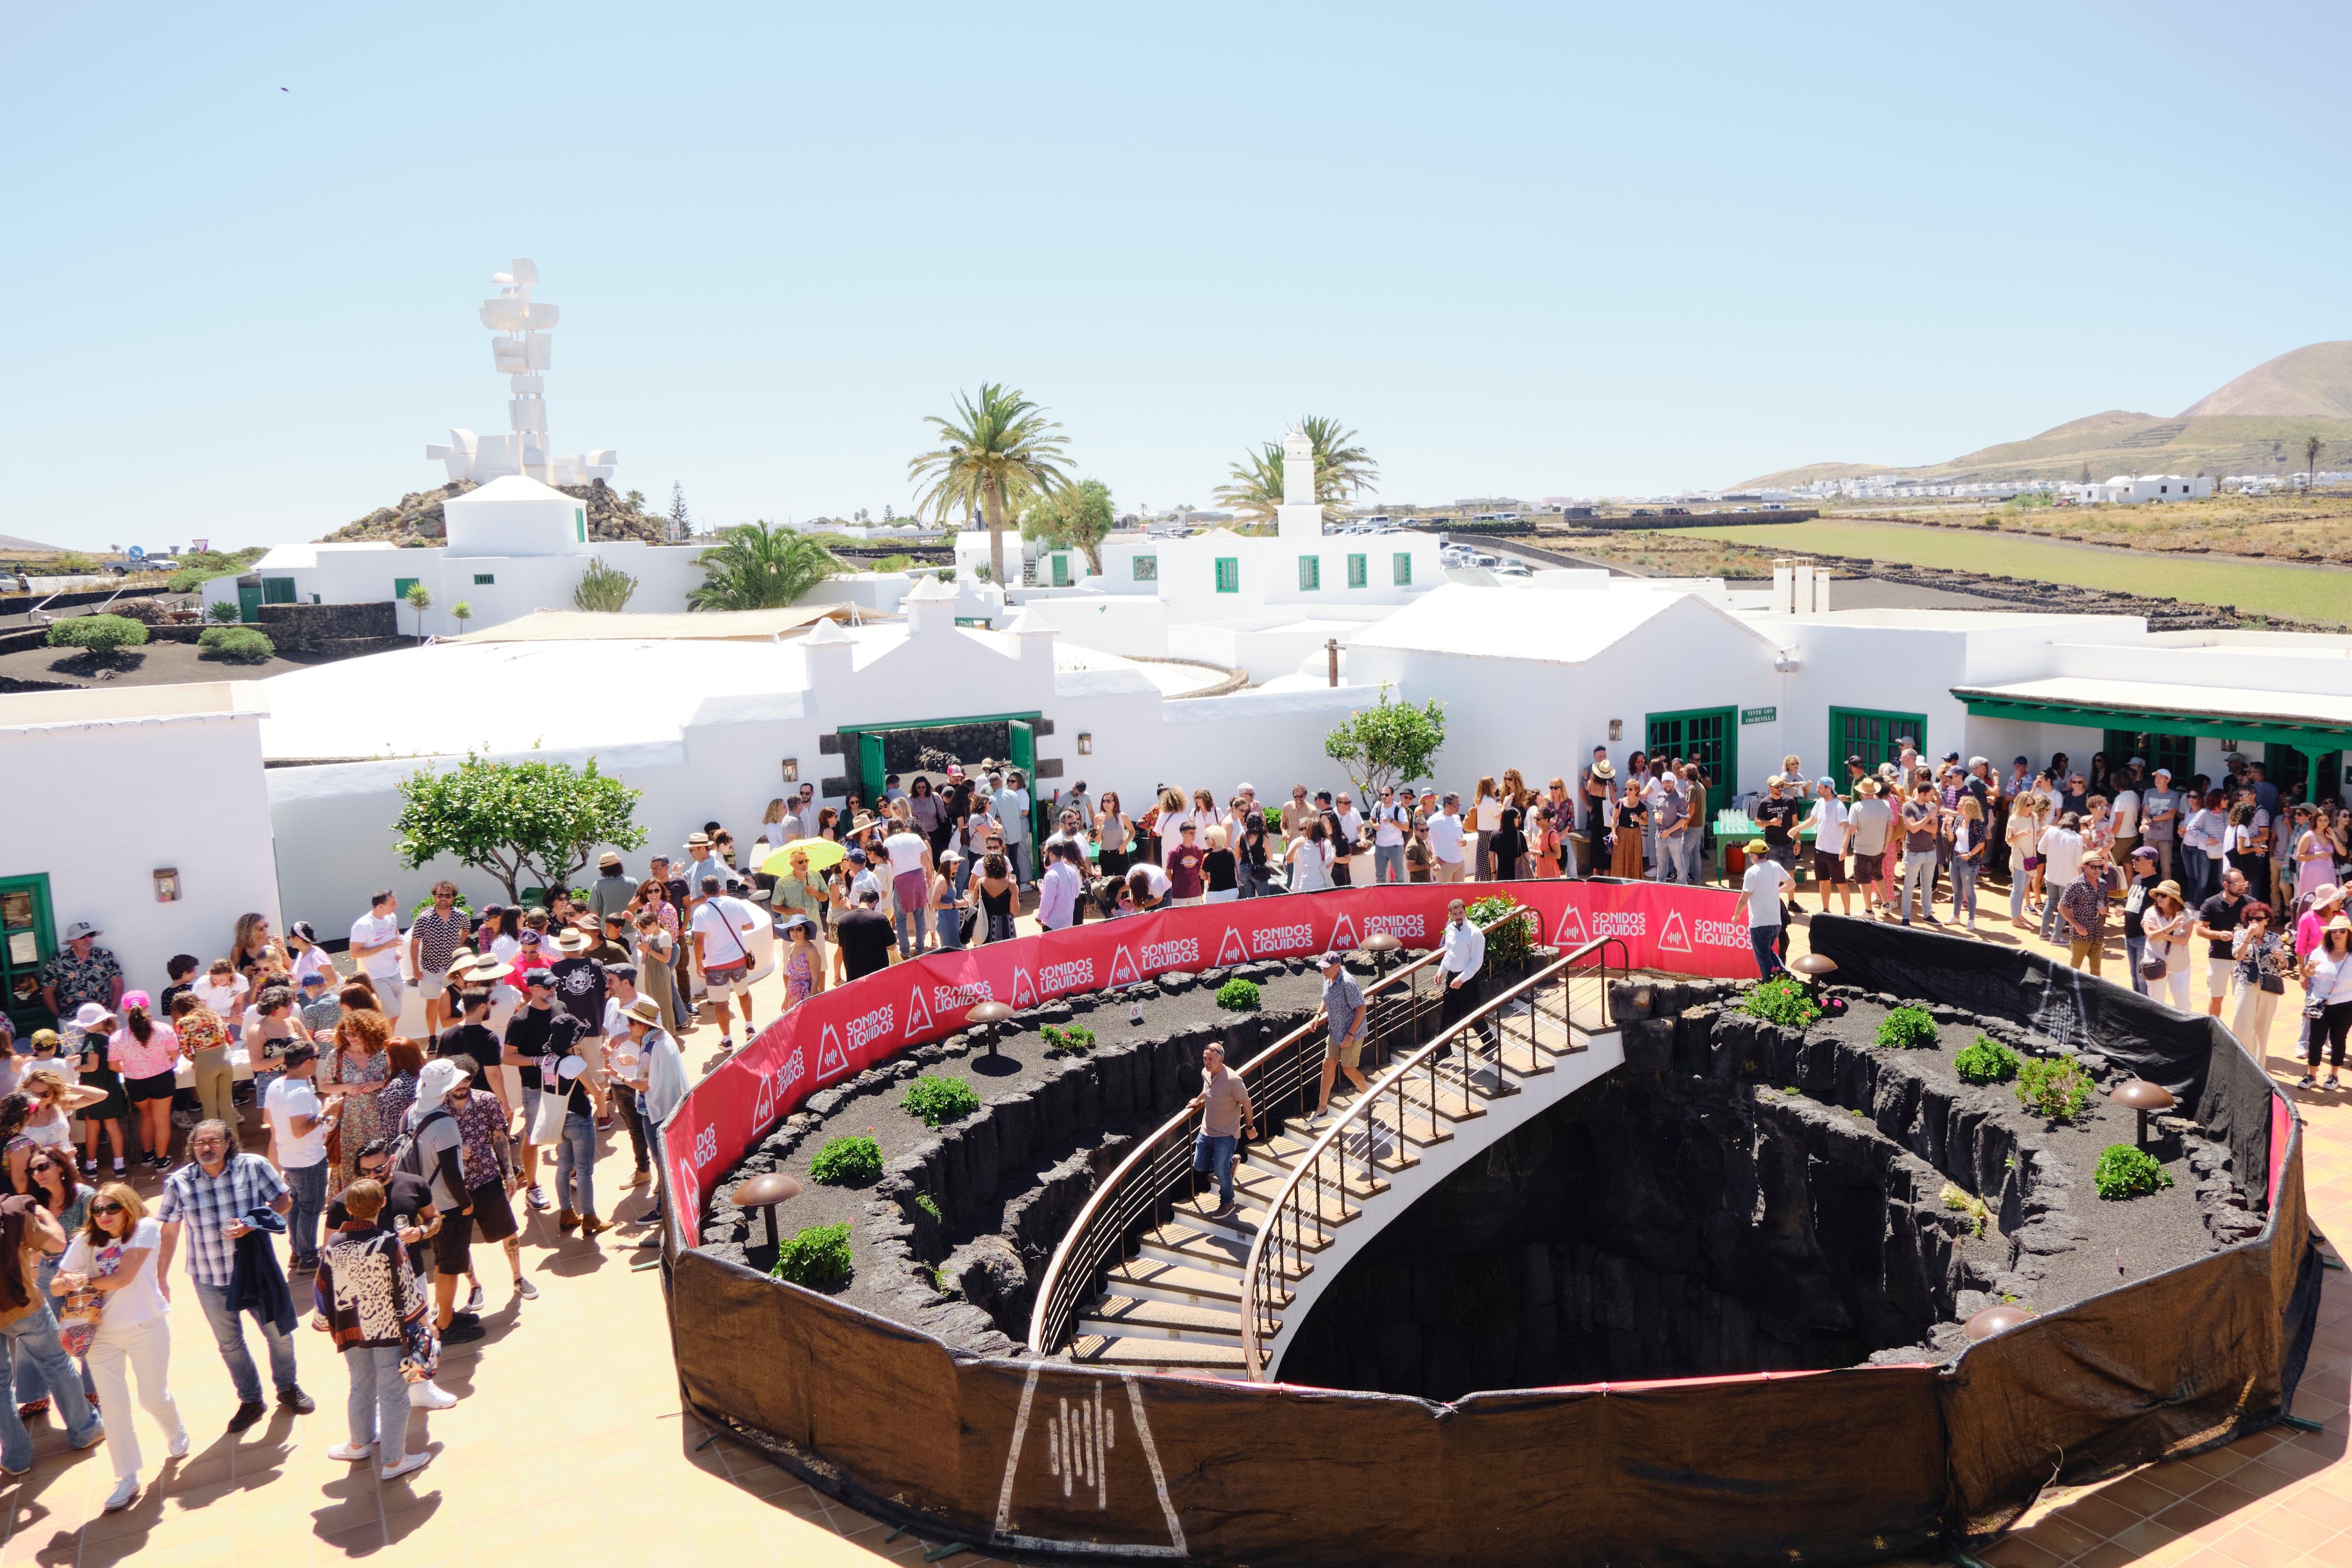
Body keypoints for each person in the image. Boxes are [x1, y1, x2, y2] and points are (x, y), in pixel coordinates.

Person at [153, 1120, 312, 1432]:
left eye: (213, 1140)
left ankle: (288, 1387)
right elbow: (169, 1232)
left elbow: (284, 1200)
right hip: (209, 1276)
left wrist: (253, 1222)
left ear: (228, 1143)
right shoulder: (179, 1183)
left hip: (255, 1269)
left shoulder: (253, 1166)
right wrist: (161, 1278)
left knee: (279, 1334)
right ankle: (251, 1399)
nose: (206, 1147)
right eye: (200, 1143)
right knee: (230, 1343)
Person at [48, 1182, 179, 1510]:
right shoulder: (85, 1240)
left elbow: (123, 1277)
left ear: (128, 1207)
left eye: (112, 1208)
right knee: (114, 1407)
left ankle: (175, 1430)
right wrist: (65, 1281)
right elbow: (54, 1284)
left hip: (146, 1325)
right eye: (97, 1210)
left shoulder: (145, 1228)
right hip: (100, 1334)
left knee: (153, 1397)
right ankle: (128, 1477)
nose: (103, 1215)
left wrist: (82, 1281)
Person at [315, 1179, 434, 1481]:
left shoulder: (333, 1245)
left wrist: (324, 1318)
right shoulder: (391, 1244)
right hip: (388, 1330)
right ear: (382, 1205)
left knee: (360, 1385)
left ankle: (359, 1443)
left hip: (350, 1328)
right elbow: (409, 1291)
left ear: (350, 1209)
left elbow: (323, 1285)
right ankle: (394, 1461)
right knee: (393, 1393)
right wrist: (425, 1323)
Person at [262, 1043, 337, 1274]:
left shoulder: (276, 1085)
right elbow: (300, 1130)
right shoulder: (300, 1092)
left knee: (297, 1206)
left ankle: (297, 1252)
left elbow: (270, 1119)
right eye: (316, 1058)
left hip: (291, 1157)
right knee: (310, 1209)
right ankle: (306, 1257)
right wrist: (327, 1112)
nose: (318, 1061)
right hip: (308, 1160)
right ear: (307, 1063)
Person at [323, 1003, 392, 1187]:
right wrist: (346, 1086)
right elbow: (324, 1086)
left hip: (378, 1117)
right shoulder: (336, 1055)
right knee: (352, 1161)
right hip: (349, 1120)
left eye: (356, 1033)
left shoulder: (382, 1053)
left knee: (378, 1160)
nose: (350, 1037)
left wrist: (379, 1083)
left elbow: (396, 1078)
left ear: (369, 1031)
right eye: (346, 1033)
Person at [691, 874, 761, 1053]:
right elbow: (750, 926)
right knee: (744, 993)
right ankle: (750, 1027)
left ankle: (727, 1040)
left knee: (722, 1003)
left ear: (703, 891)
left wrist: (699, 964)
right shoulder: (735, 903)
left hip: (716, 964)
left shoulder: (701, 911)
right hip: (738, 959)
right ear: (720, 887)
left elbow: (698, 941)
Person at [1184, 1043, 1254, 1219]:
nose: (1206, 1063)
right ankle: (1230, 1164)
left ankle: (1228, 1202)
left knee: (1220, 1170)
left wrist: (1249, 1127)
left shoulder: (1233, 1080)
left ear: (1221, 1060)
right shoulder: (1205, 1073)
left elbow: (1246, 1103)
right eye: (1205, 1059)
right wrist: (1198, 1100)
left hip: (1226, 1135)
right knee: (1199, 1165)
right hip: (1206, 1131)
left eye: (1210, 1059)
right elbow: (1207, 1090)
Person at [1304, 954, 1367, 1127]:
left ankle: (1369, 1097)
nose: (1323, 970)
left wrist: (1350, 1034)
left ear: (1338, 966)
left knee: (1348, 1070)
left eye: (1326, 967)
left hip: (1352, 1034)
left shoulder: (1348, 983)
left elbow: (1362, 1009)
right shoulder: (1328, 978)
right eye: (1322, 967)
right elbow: (1327, 999)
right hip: (1335, 1031)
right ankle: (1322, 1109)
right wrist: (1318, 1015)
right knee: (1328, 1064)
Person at [71, 1005, 130, 1178]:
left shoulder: (92, 1040)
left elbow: (92, 1066)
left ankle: (91, 1165)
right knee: (113, 1126)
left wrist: (74, 1067)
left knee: (92, 1127)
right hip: (111, 1088)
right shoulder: (111, 1038)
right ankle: (119, 1165)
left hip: (93, 1091)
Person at [408, 882, 471, 1037]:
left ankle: (458, 1034)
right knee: (432, 1002)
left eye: (447, 896)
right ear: (434, 896)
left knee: (456, 1001)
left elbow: (467, 928)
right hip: (430, 967)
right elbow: (415, 944)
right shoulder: (424, 918)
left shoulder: (461, 916)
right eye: (440, 895)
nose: (443, 899)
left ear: (453, 898)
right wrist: (416, 969)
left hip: (452, 968)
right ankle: (432, 1037)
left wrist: (458, 944)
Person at [2298, 915, 2352, 1090]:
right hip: (2320, 1002)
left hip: (2345, 1005)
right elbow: (2308, 972)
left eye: (2342, 931)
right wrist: (2310, 968)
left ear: (2348, 934)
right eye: (2334, 931)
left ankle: (2334, 1075)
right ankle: (2311, 1074)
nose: (2338, 934)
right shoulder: (2321, 951)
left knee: (2339, 1040)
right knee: (2316, 1040)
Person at [2229, 902, 2291, 1050]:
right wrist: (2249, 936)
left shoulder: (2275, 938)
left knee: (2262, 1031)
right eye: (2251, 919)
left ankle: (2258, 1068)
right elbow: (2238, 956)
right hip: (2246, 983)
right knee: (2242, 1024)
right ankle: (2239, 1064)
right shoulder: (2240, 935)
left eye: (2258, 919)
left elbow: (2283, 965)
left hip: (2268, 985)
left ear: (2266, 920)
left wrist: (2282, 958)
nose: (2254, 922)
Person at [1435, 898, 1493, 1053]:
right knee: (1448, 1015)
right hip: (1451, 978)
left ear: (1466, 912)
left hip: (1467, 981)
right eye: (1455, 914)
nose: (1458, 916)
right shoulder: (1450, 929)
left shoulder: (1475, 933)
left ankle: (1488, 1040)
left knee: (1472, 1014)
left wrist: (1462, 978)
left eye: (1461, 912)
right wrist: (1441, 970)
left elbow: (1477, 961)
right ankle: (1443, 1050)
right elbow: (1449, 953)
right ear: (1451, 915)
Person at [2195, 868, 2251, 1018]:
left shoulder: (2251, 904)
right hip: (2218, 958)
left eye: (2243, 882)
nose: (2242, 886)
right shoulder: (2211, 903)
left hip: (2243, 959)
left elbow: (2261, 929)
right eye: (2238, 883)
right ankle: (2214, 1030)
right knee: (2216, 997)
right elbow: (2200, 929)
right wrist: (2219, 935)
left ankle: (2239, 1033)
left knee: (2243, 999)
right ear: (2226, 885)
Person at [40, 921, 123, 1021]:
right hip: (71, 1020)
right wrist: (59, 1017)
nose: (88, 939)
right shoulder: (58, 962)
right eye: (83, 936)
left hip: (101, 1018)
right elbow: (48, 991)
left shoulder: (106, 957)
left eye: (91, 935)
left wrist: (111, 1012)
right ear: (72, 941)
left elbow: (118, 986)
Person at [349, 891, 407, 1022]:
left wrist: (398, 948)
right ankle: (386, 1042)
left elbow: (395, 932)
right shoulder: (362, 925)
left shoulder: (391, 917)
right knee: (392, 1014)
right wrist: (385, 946)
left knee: (394, 1015)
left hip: (395, 972)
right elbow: (354, 954)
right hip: (376, 977)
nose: (397, 906)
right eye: (393, 903)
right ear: (380, 906)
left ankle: (387, 1041)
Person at [2138, 882, 2195, 1013]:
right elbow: (2151, 936)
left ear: (2173, 898)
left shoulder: (2186, 915)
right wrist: (2172, 928)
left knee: (2183, 1004)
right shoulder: (2151, 913)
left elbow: (2184, 940)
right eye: (2158, 895)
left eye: (2163, 895)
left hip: (2179, 965)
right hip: (2155, 964)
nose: (2159, 898)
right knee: (2156, 1004)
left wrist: (2162, 933)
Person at [2059, 850, 2118, 974]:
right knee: (2075, 968)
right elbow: (2062, 907)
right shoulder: (2076, 885)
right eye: (2093, 867)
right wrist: (2077, 926)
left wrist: (2105, 909)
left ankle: (2095, 992)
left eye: (2100, 867)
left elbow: (2106, 903)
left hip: (2098, 931)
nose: (2097, 870)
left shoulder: (2102, 884)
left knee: (2096, 969)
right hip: (2082, 933)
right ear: (2085, 867)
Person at [1740, 839, 1792, 979]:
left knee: (1763, 959)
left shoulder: (1752, 873)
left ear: (1753, 855)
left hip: (1760, 924)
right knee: (1768, 953)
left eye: (1750, 854)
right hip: (1775, 922)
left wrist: (1736, 915)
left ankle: (1770, 985)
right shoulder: (1775, 866)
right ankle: (1785, 979)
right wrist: (1777, 890)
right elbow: (1791, 884)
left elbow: (1744, 899)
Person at [1897, 781, 1943, 927]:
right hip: (1914, 852)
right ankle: (1905, 917)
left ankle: (1928, 914)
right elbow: (1913, 829)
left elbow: (1934, 830)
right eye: (1930, 795)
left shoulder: (1932, 806)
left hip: (1930, 851)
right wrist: (1928, 818)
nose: (1933, 797)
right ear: (1922, 794)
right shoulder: (1908, 807)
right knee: (1909, 886)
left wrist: (1920, 823)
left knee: (1927, 886)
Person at [2037, 812, 2087, 944]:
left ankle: (2043, 932)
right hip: (2067, 879)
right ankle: (2055, 937)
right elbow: (2078, 862)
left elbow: (2041, 850)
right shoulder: (2077, 838)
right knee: (2063, 908)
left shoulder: (2051, 831)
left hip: (2050, 875)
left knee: (2051, 903)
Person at [1806, 778, 1851, 914]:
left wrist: (1844, 849)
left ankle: (1847, 913)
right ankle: (1826, 910)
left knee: (1841, 884)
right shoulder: (1819, 803)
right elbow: (1811, 821)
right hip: (1820, 850)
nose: (1817, 790)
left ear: (1828, 789)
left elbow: (1847, 828)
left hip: (1834, 853)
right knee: (1823, 881)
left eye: (1820, 787)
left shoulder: (1839, 806)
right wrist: (1796, 829)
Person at [833, 888, 897, 982]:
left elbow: (840, 950)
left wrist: (837, 976)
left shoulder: (844, 920)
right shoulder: (880, 919)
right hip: (877, 975)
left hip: (854, 976)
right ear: (875, 902)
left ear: (859, 901)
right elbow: (892, 946)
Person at [1037, 839, 1086, 930]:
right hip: (1068, 923)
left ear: (1051, 854)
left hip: (1052, 925)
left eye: (1045, 853)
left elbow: (1047, 904)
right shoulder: (1072, 871)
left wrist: (1039, 918)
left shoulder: (1051, 876)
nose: (1044, 856)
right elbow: (1076, 894)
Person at [1610, 777, 1647, 879]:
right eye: (1627, 789)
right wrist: (1614, 833)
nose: (1628, 791)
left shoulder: (1641, 806)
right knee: (1619, 859)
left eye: (1630, 789)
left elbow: (1646, 821)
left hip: (1635, 834)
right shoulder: (1620, 803)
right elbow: (1614, 819)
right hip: (1621, 833)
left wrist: (1639, 820)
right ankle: (1618, 882)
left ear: (1636, 791)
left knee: (1633, 858)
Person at [1285, 819, 1335, 893]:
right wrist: (1334, 856)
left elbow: (1289, 861)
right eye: (1301, 829)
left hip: (1303, 884)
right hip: (1319, 884)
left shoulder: (1302, 844)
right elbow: (1329, 863)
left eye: (1306, 829)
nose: (1304, 831)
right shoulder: (1325, 843)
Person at [1427, 793, 1468, 883]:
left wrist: (1463, 841)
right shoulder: (1434, 821)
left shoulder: (1457, 818)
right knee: (1444, 894)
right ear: (1447, 806)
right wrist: (1433, 859)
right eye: (1456, 806)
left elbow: (1460, 835)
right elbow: (1422, 839)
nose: (1458, 808)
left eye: (1459, 805)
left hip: (1460, 862)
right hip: (1444, 865)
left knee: (1458, 893)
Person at [1166, 822, 1208, 906]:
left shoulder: (1199, 851)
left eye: (1194, 833)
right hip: (1180, 894)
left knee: (1196, 916)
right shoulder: (1175, 852)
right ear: (1183, 834)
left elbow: (1201, 870)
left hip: (1195, 893)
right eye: (1191, 833)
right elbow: (1168, 873)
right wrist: (1177, 883)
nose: (1194, 836)